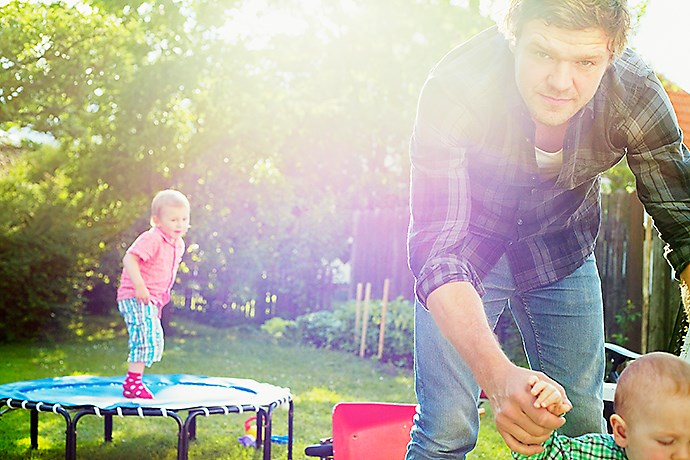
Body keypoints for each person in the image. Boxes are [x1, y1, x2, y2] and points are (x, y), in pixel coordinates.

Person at [405, 0, 690, 458]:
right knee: (446, 430)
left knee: (580, 424)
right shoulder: (456, 88)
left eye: (586, 62)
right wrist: (497, 378)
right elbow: (438, 249)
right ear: (514, 36)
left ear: (613, 54)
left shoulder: (634, 92)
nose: (562, 82)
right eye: (542, 54)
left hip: (563, 249)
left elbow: (684, 216)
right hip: (467, 253)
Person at [512, 352, 690, 459]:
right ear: (621, 432)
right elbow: (543, 456)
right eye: (667, 442)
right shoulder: (599, 453)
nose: (683, 455)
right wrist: (539, 416)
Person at [116, 189, 190, 399]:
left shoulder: (179, 244)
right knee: (145, 337)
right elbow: (130, 259)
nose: (180, 224)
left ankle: (135, 380)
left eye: (184, 219)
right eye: (173, 219)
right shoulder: (153, 238)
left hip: (153, 300)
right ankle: (133, 383)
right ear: (157, 220)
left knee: (155, 340)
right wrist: (140, 286)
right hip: (135, 295)